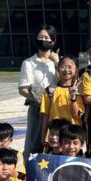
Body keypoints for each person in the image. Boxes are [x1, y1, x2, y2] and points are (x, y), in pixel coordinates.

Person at [18, 24, 59, 155]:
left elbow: (66, 81)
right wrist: (40, 100)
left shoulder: (60, 62)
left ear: (53, 41)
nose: (43, 40)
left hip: (57, 107)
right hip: (38, 108)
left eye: (46, 38)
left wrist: (57, 63)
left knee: (57, 142)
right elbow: (23, 89)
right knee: (34, 143)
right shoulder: (29, 63)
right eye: (40, 37)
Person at [40, 55, 83, 136]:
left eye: (70, 67)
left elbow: (76, 114)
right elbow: (46, 116)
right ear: (57, 69)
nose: (66, 70)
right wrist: (43, 136)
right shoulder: (49, 90)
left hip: (72, 134)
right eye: (63, 67)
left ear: (76, 70)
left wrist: (73, 98)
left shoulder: (79, 90)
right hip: (55, 134)